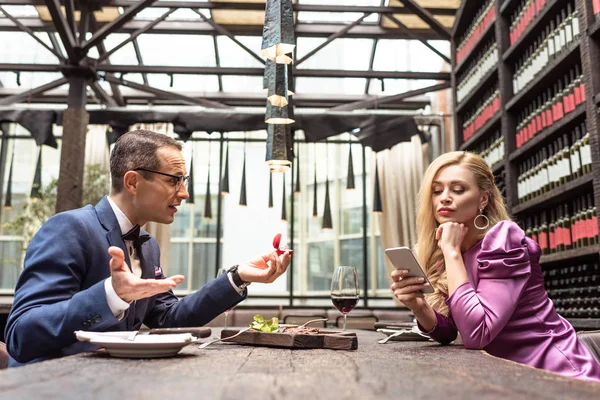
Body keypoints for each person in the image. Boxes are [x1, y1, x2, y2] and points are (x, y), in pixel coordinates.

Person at [5, 129, 292, 366]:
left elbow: (170, 317)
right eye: (173, 180)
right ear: (133, 181)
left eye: (184, 180)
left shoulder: (148, 245)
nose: (184, 192)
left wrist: (238, 276)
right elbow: (21, 335)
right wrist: (110, 295)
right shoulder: (70, 228)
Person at [391, 151, 600, 382]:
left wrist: (451, 253)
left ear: (483, 199)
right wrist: (419, 307)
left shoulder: (504, 240)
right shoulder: (448, 254)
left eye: (458, 189)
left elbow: (477, 333)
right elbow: (450, 331)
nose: (445, 198)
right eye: (437, 190)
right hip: (504, 375)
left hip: (557, 374)